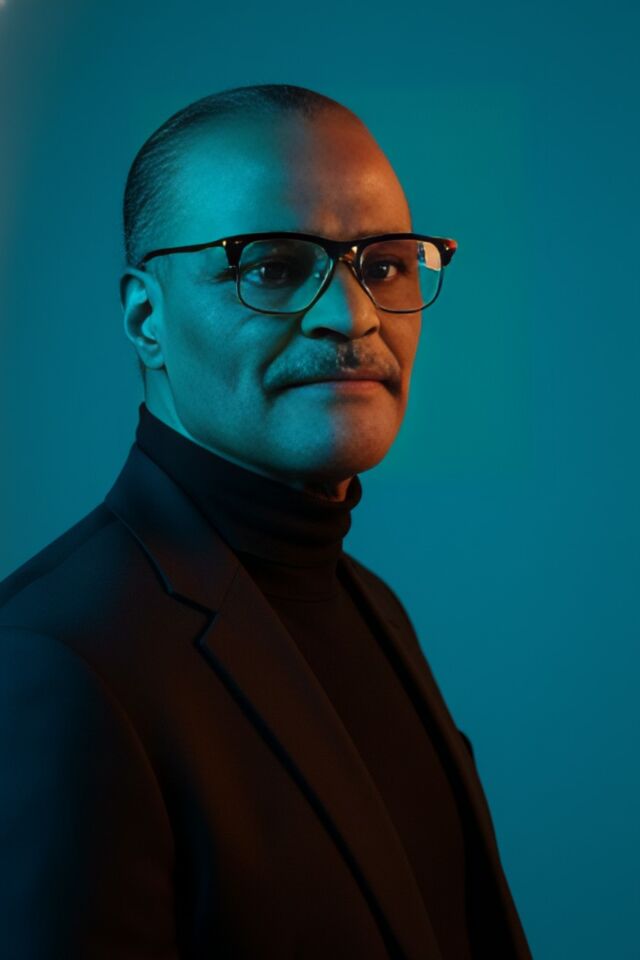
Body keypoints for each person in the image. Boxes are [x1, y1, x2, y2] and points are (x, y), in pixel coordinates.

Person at [0, 83, 532, 959]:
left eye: (384, 265)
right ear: (146, 318)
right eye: (274, 268)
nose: (352, 315)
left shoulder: (371, 606)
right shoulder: (51, 664)